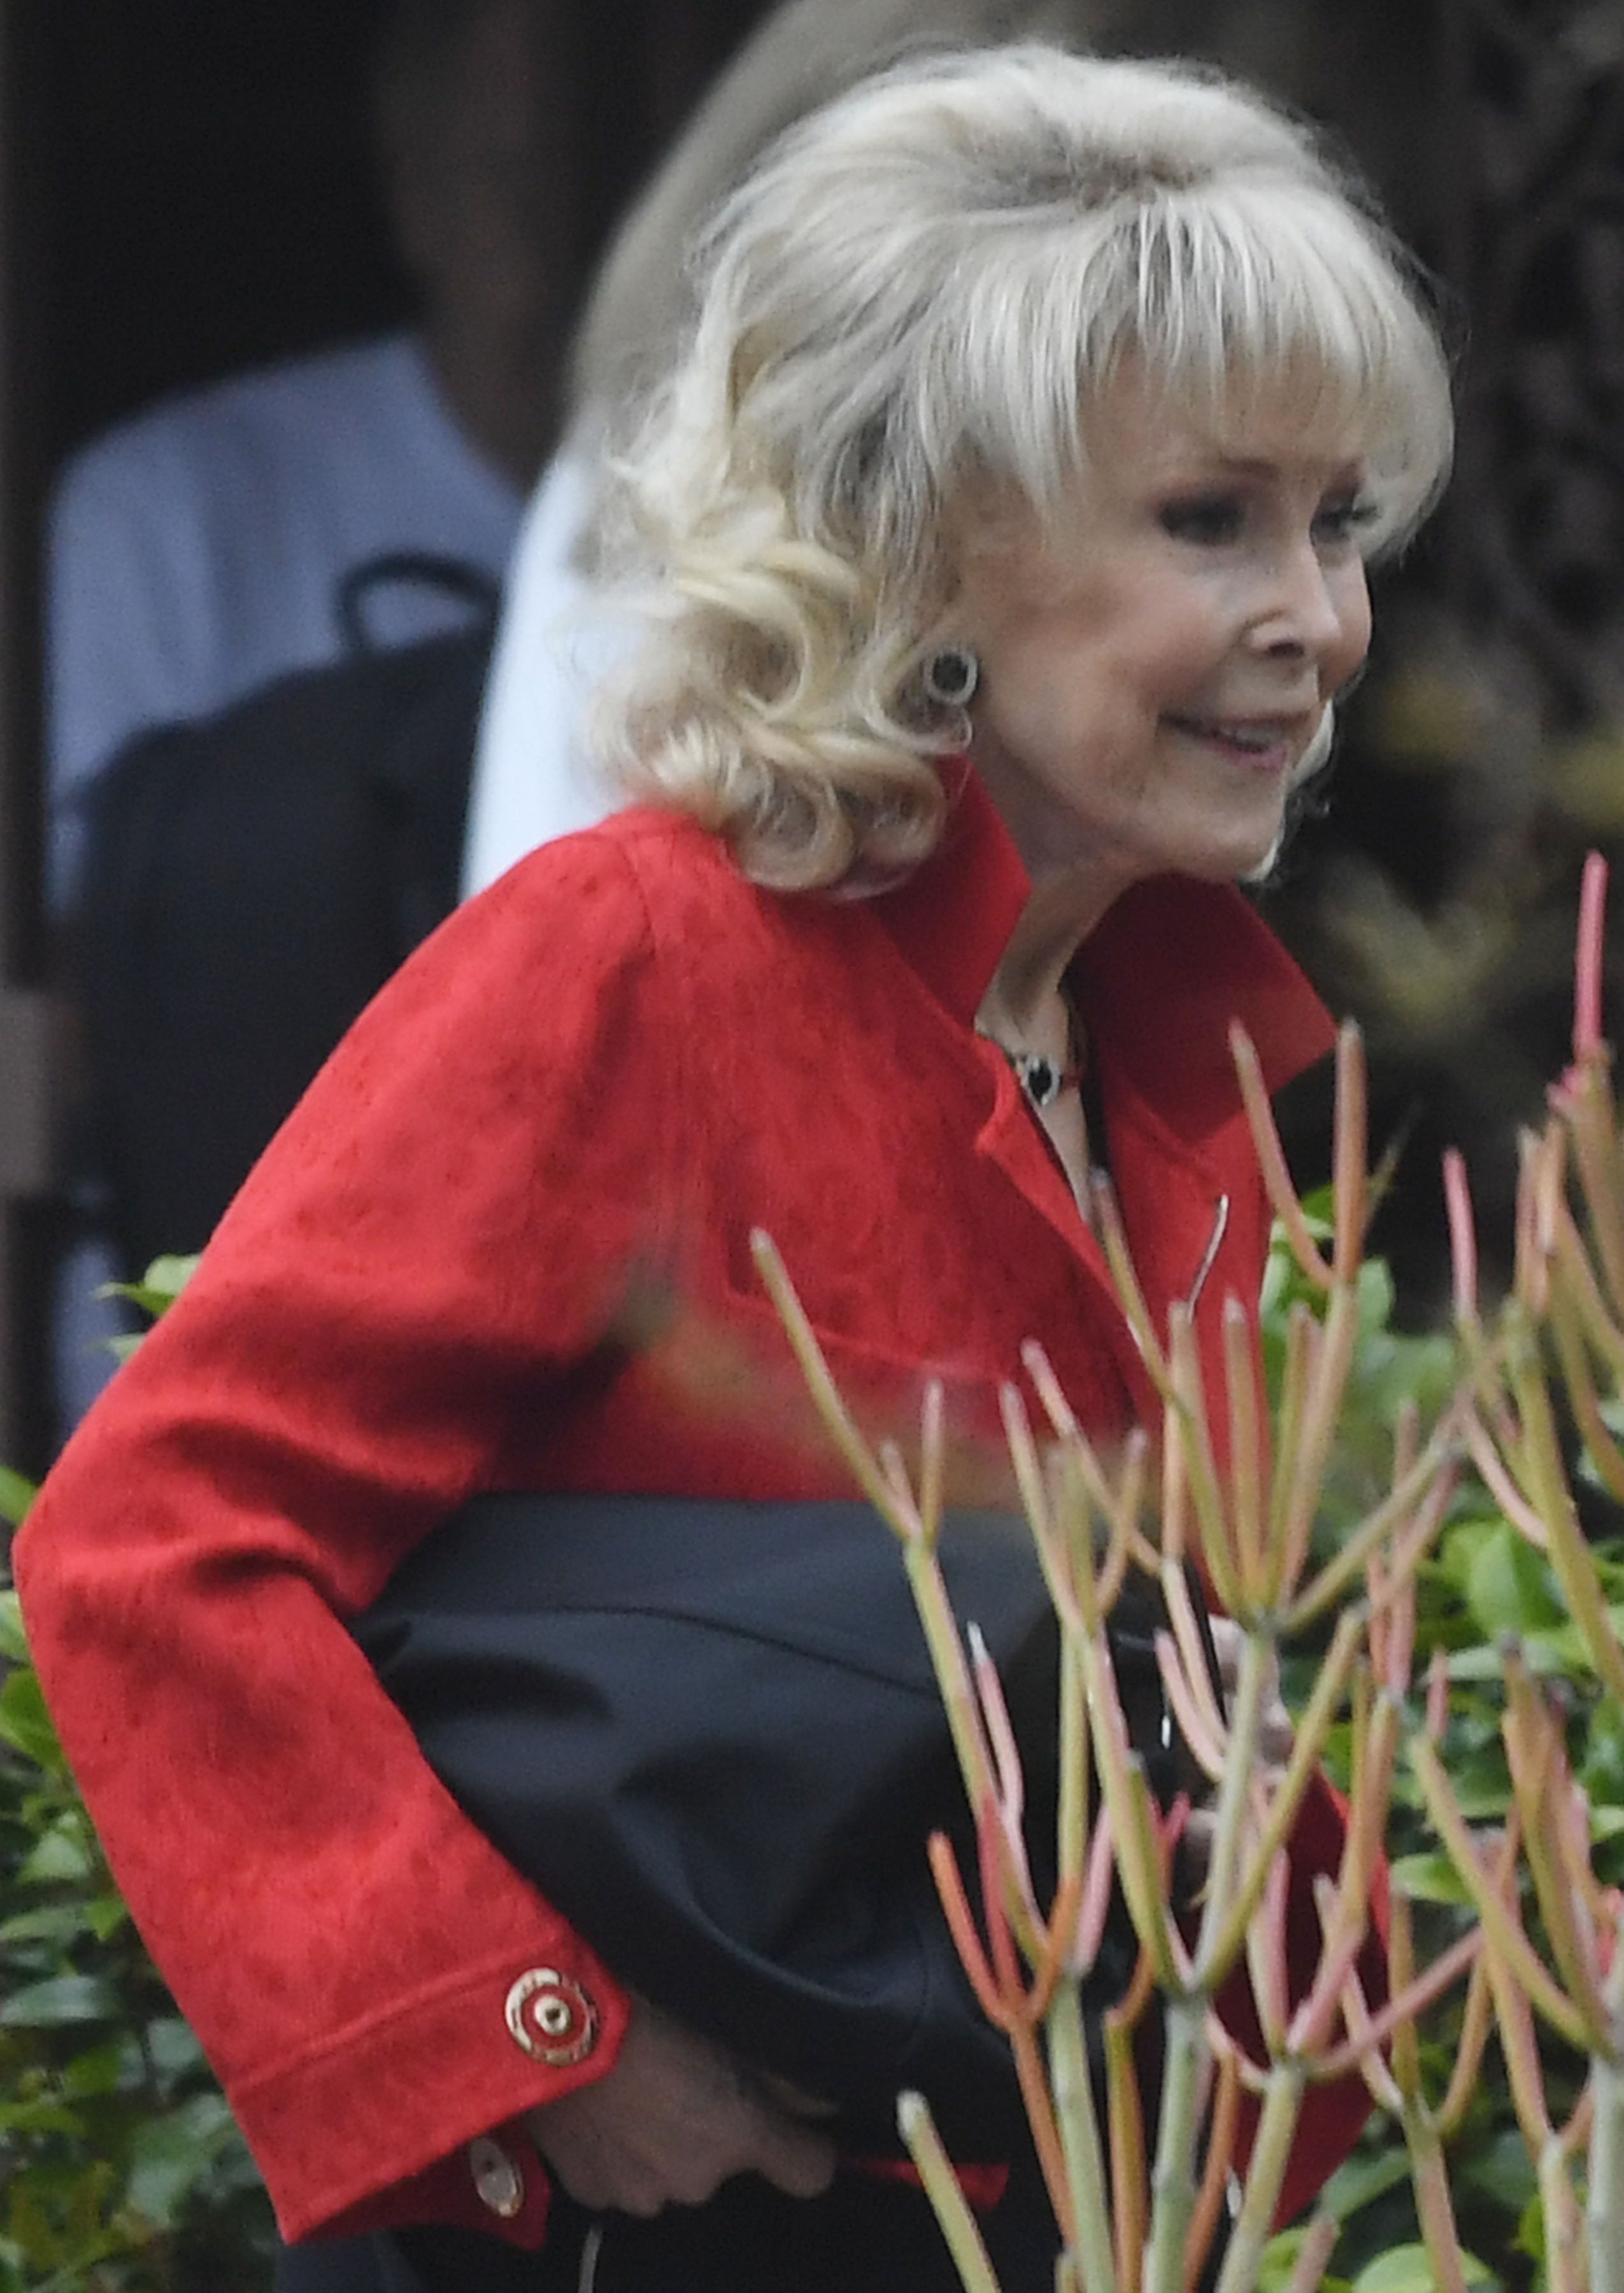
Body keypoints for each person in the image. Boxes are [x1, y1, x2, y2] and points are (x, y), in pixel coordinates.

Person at [14, 40, 1453, 2293]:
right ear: (928, 542)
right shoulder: (638, 962)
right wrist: (547, 2054)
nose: (1319, 617)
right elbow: (153, 1547)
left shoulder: (1193, 1057)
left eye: (1339, 521)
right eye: (1213, 521)